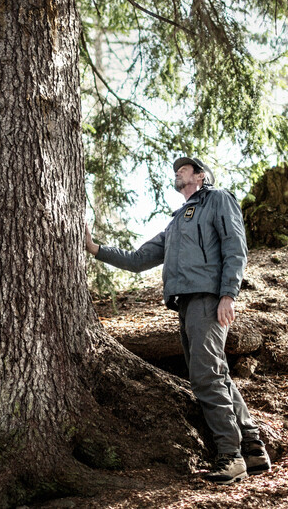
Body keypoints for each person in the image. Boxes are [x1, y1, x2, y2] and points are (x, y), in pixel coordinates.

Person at [85, 156, 271, 484]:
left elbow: (235, 248)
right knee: (217, 374)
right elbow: (139, 259)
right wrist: (95, 248)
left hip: (208, 300)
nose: (177, 172)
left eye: (183, 168)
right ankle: (254, 448)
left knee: (205, 377)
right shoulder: (175, 224)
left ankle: (230, 456)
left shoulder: (217, 200)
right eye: (175, 170)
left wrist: (228, 294)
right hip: (185, 306)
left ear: (200, 175)